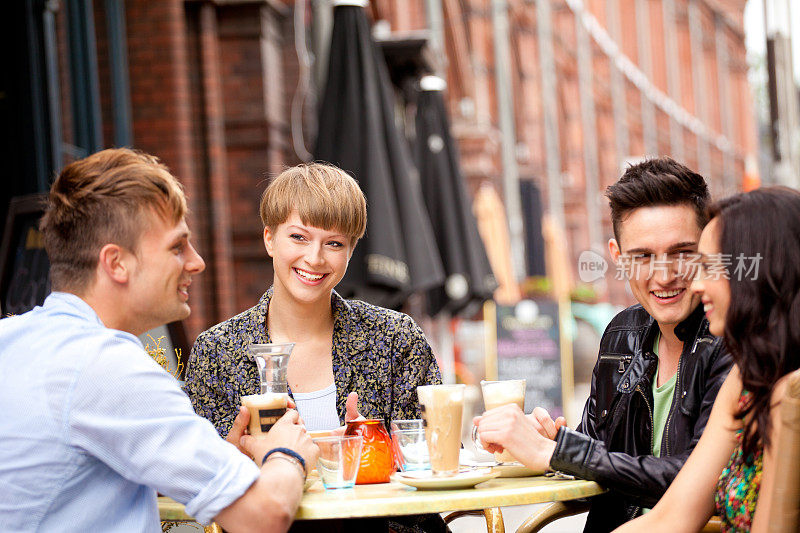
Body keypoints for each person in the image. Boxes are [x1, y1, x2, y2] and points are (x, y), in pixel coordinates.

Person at [0, 148, 318, 533]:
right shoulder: (107, 366)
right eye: (176, 246)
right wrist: (287, 453)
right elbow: (265, 516)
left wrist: (222, 465)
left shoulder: (13, 338)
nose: (196, 261)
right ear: (116, 263)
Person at [474, 158, 733, 531]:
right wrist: (549, 444)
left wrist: (559, 452)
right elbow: (597, 466)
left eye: (682, 252)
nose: (663, 276)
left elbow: (696, 480)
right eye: (642, 256)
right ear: (618, 256)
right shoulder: (620, 334)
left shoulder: (731, 337)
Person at [184, 163, 442, 436]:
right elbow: (198, 472)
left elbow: (440, 454)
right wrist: (241, 455)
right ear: (269, 239)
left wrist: (378, 447)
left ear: (351, 251)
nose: (315, 258)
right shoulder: (217, 352)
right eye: (299, 237)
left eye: (334, 243)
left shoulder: (396, 339)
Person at [615, 187, 800, 532]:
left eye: (709, 267)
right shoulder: (748, 379)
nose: (694, 283)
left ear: (761, 275)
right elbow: (672, 518)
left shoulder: (791, 393)